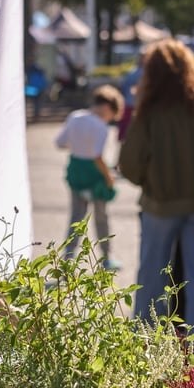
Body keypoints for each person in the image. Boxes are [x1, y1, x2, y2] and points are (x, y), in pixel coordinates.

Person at [119, 38, 194, 340]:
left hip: (159, 205)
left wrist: (150, 182)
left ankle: (144, 344)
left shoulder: (148, 113)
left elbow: (128, 163)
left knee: (151, 277)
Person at [54, 84, 123, 269]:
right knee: (101, 218)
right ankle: (107, 258)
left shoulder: (75, 117)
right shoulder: (101, 126)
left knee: (75, 219)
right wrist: (109, 177)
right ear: (108, 107)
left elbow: (60, 143)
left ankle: (67, 261)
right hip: (95, 175)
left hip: (75, 171)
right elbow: (97, 156)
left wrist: (79, 145)